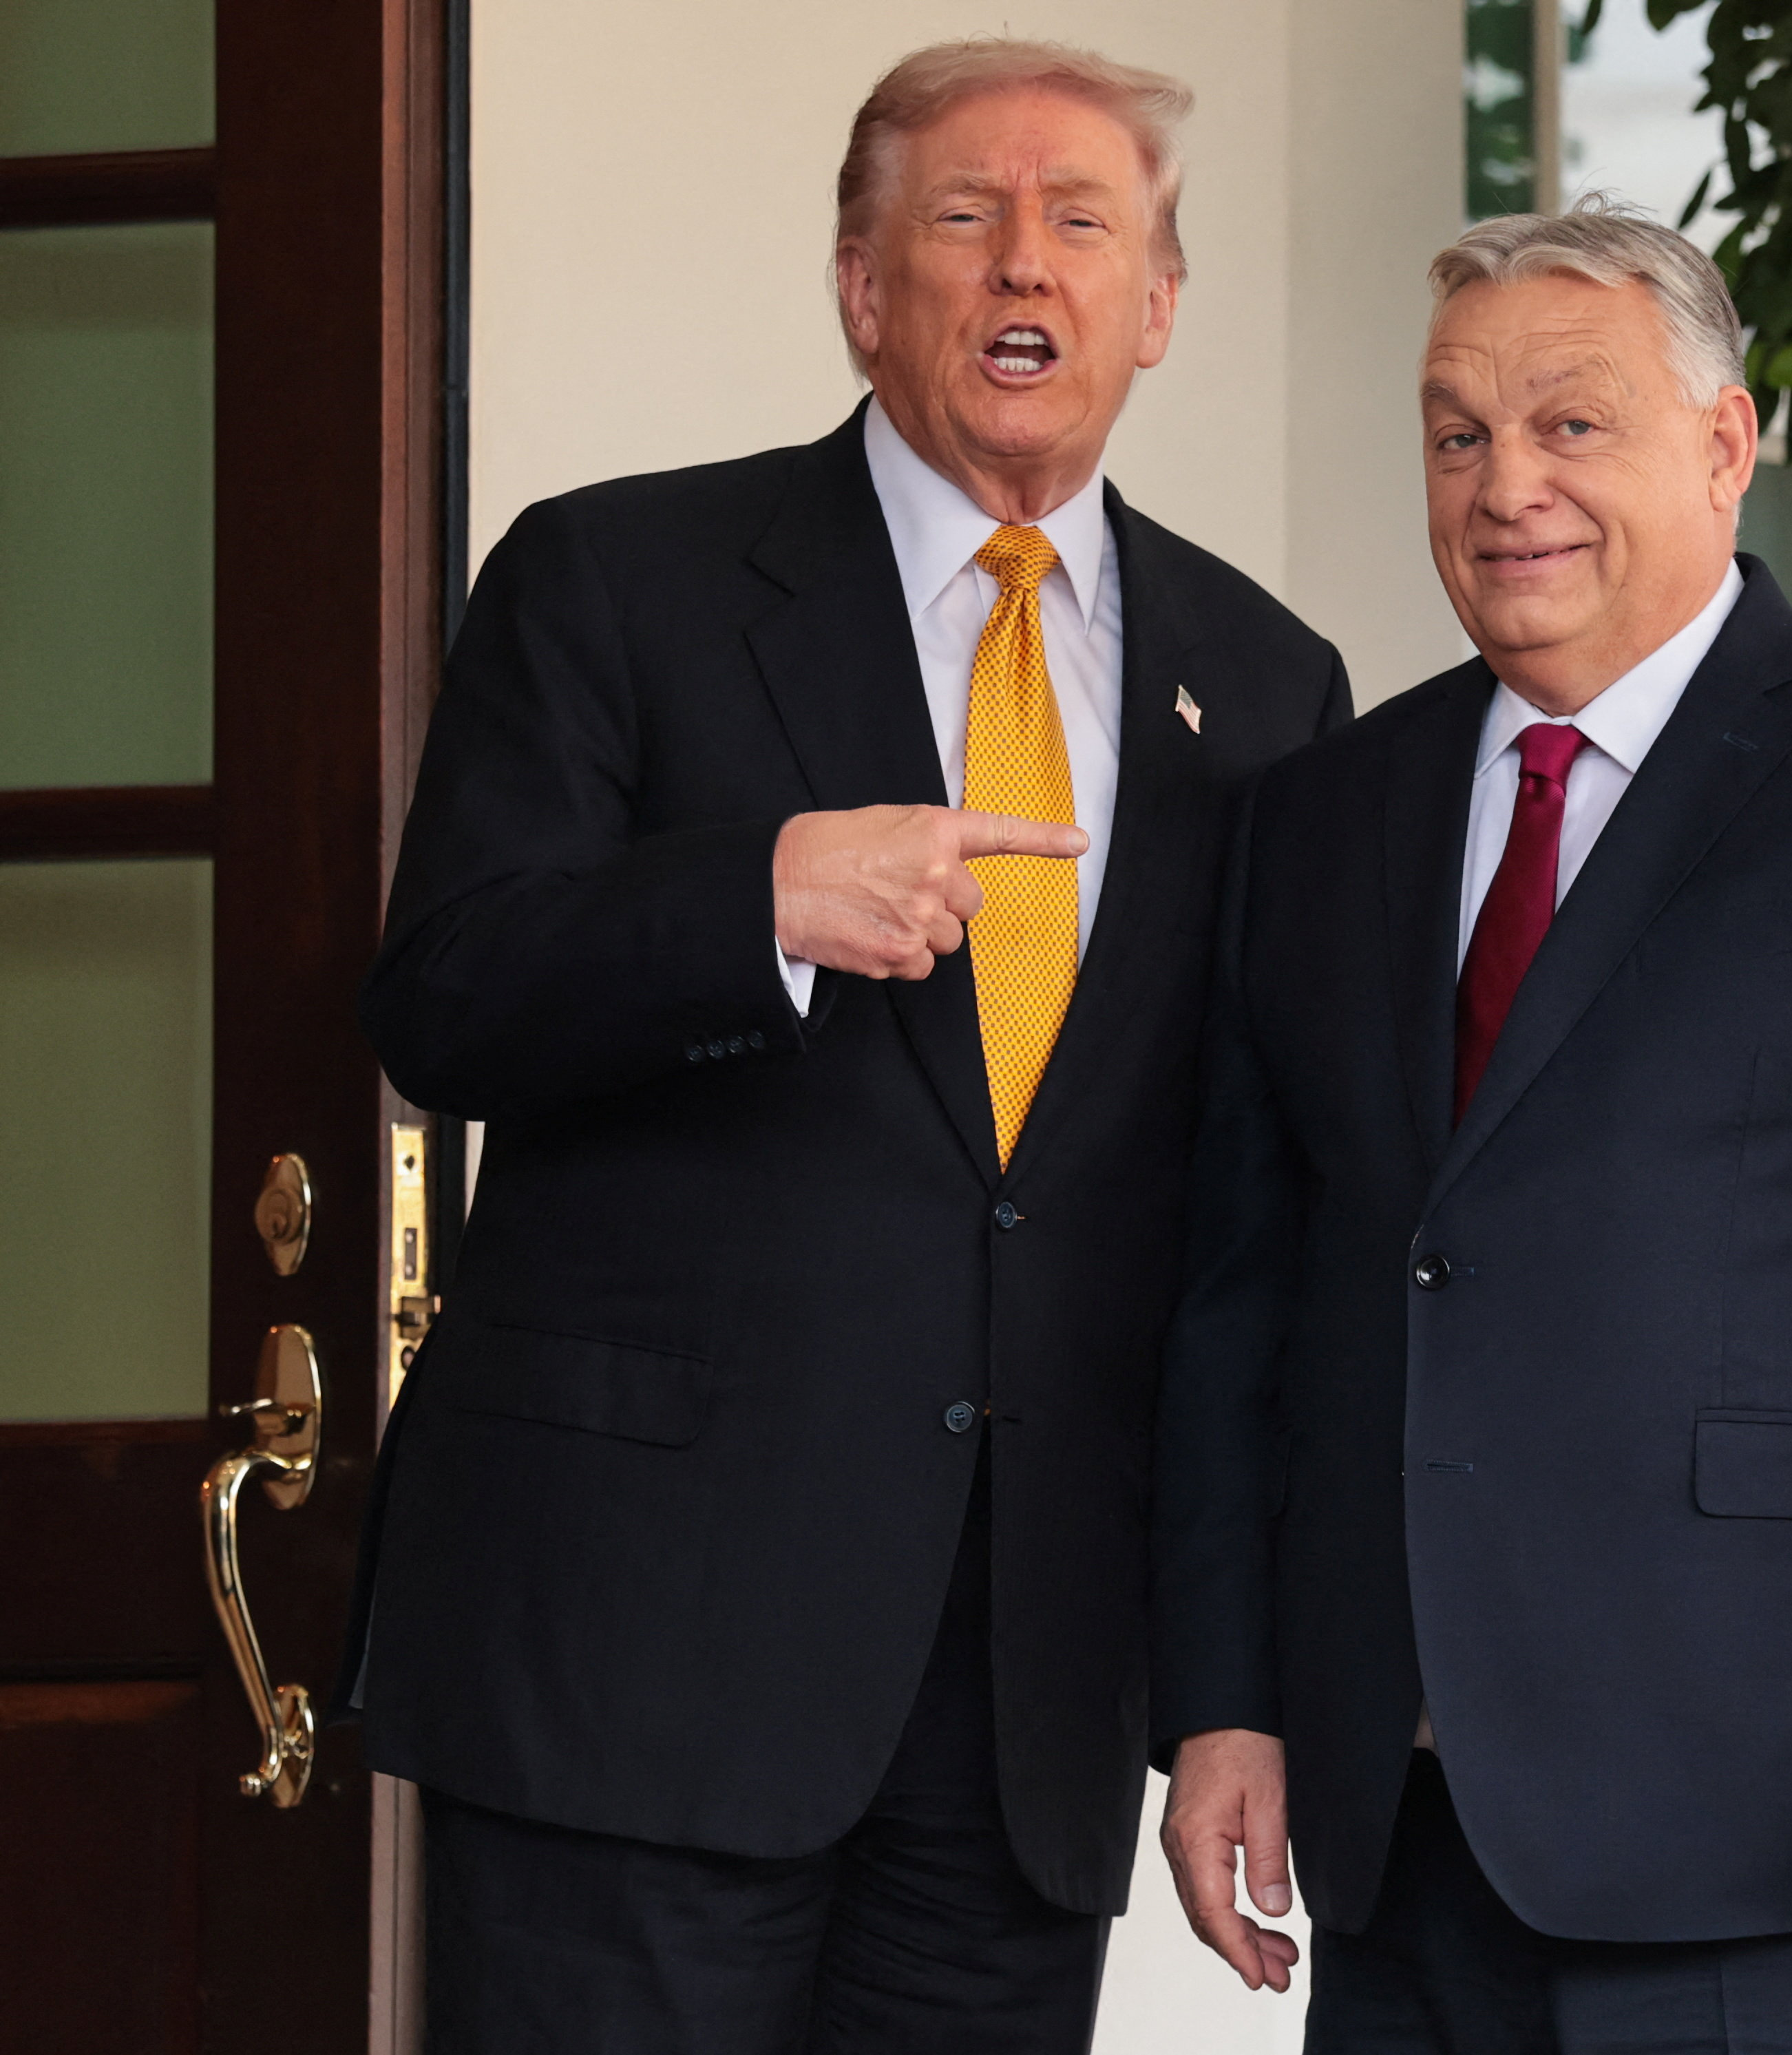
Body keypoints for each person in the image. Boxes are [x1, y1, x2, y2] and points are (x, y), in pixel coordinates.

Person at [349, 39, 1348, 2053]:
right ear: (859, 283)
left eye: (1085, 226)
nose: (1024, 274)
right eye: (965, 220)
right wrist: (757, 901)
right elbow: (442, 994)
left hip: (1023, 1703)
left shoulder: (1263, 685)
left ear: (1160, 307)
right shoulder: (615, 578)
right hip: (637, 1668)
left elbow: (1260, 1220)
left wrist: (1235, 1675)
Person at [1149, 200, 1792, 2054]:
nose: (1504, 483)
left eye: (1570, 422)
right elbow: (1251, 1300)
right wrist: (1224, 1697)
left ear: (1726, 446)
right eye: (1457, 432)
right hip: (1412, 1853)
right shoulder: (1321, 816)